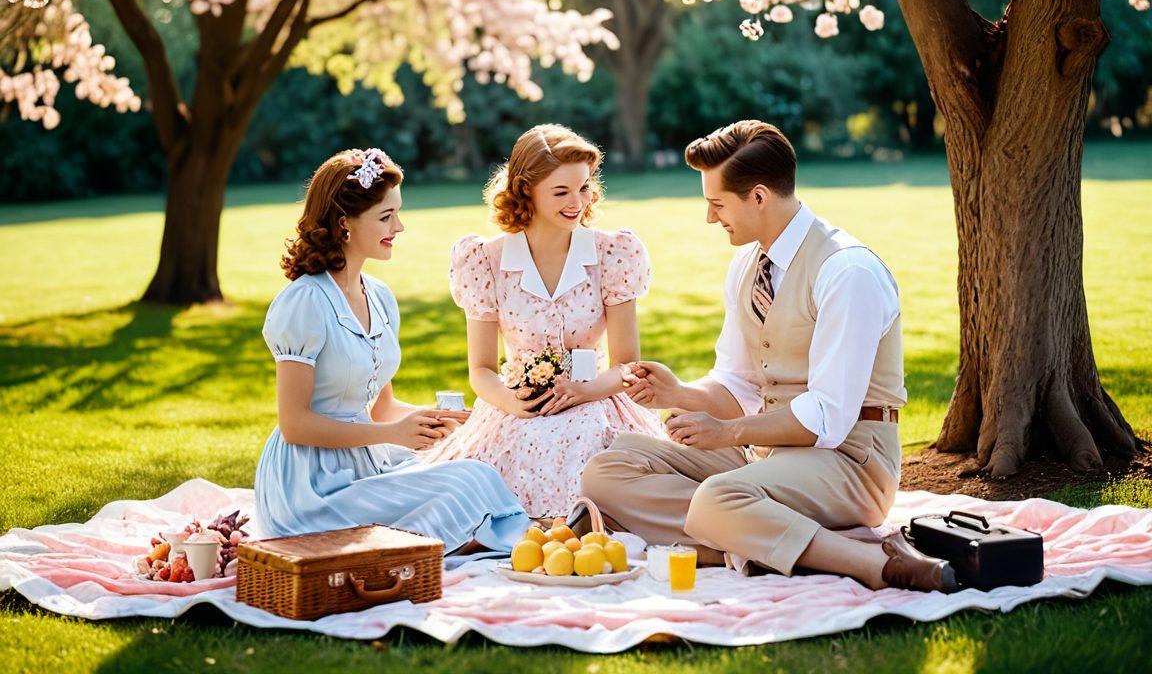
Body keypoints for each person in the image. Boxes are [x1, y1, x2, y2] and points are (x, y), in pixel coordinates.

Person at [581, 120, 959, 592]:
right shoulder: (746, 267)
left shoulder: (847, 270)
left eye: (717, 204)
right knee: (606, 470)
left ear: (758, 196)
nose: (710, 218)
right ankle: (753, 541)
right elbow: (738, 385)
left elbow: (827, 418)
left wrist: (726, 433)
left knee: (716, 499)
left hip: (851, 463)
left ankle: (869, 563)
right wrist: (678, 393)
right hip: (766, 457)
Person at [254, 147, 530, 552]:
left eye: (397, 213)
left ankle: (479, 542)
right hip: (309, 485)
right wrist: (391, 434)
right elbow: (295, 424)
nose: (398, 227)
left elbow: (384, 407)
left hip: (365, 461)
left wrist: (435, 420)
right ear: (344, 223)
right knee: (468, 480)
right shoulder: (304, 302)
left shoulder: (380, 298)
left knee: (475, 469)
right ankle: (497, 543)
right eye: (386, 216)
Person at [420, 124, 665, 518]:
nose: (578, 202)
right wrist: (511, 403)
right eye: (561, 191)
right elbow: (481, 370)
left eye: (584, 188)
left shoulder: (612, 253)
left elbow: (628, 365)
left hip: (596, 399)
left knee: (597, 469)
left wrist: (584, 392)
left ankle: (581, 524)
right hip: (516, 407)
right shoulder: (486, 260)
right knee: (470, 508)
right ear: (525, 191)